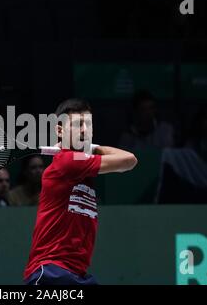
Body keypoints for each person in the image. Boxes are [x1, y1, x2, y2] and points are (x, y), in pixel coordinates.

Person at [24, 98, 138, 285]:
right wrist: (93, 148)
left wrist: (89, 148)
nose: (85, 130)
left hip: (76, 273)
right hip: (52, 272)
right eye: (78, 125)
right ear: (59, 130)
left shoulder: (78, 162)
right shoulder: (69, 162)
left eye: (89, 124)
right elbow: (129, 160)